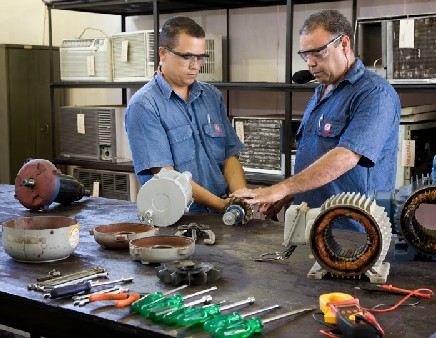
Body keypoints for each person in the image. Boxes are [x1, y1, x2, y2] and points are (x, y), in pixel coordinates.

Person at [233, 10, 400, 225]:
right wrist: (289, 194)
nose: (310, 63)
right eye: (305, 55)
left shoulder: (375, 94)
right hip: (309, 221)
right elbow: (316, 157)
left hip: (352, 229)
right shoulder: (322, 91)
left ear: (344, 44)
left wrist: (281, 188)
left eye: (318, 52)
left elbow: (345, 156)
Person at [125, 16, 246, 213]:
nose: (195, 66)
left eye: (200, 57)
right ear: (163, 54)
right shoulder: (144, 106)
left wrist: (241, 199)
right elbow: (167, 176)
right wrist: (222, 205)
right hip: (179, 218)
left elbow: (229, 155)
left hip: (223, 211)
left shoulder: (212, 96)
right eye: (187, 57)